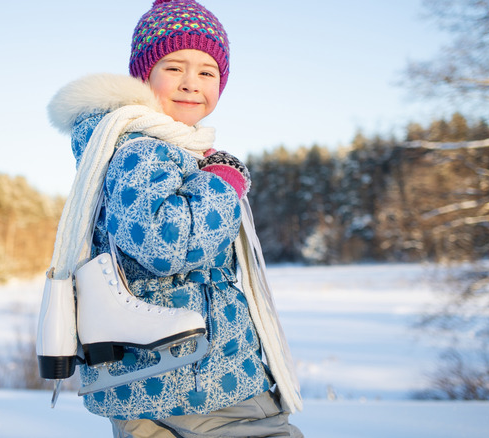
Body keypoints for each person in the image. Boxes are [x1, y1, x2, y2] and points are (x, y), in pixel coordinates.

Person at [47, 1, 303, 436]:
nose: (191, 83)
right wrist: (222, 181)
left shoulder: (160, 148)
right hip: (195, 379)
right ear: (143, 75)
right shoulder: (140, 148)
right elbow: (168, 245)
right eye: (174, 67)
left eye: (207, 72)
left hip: (168, 374)